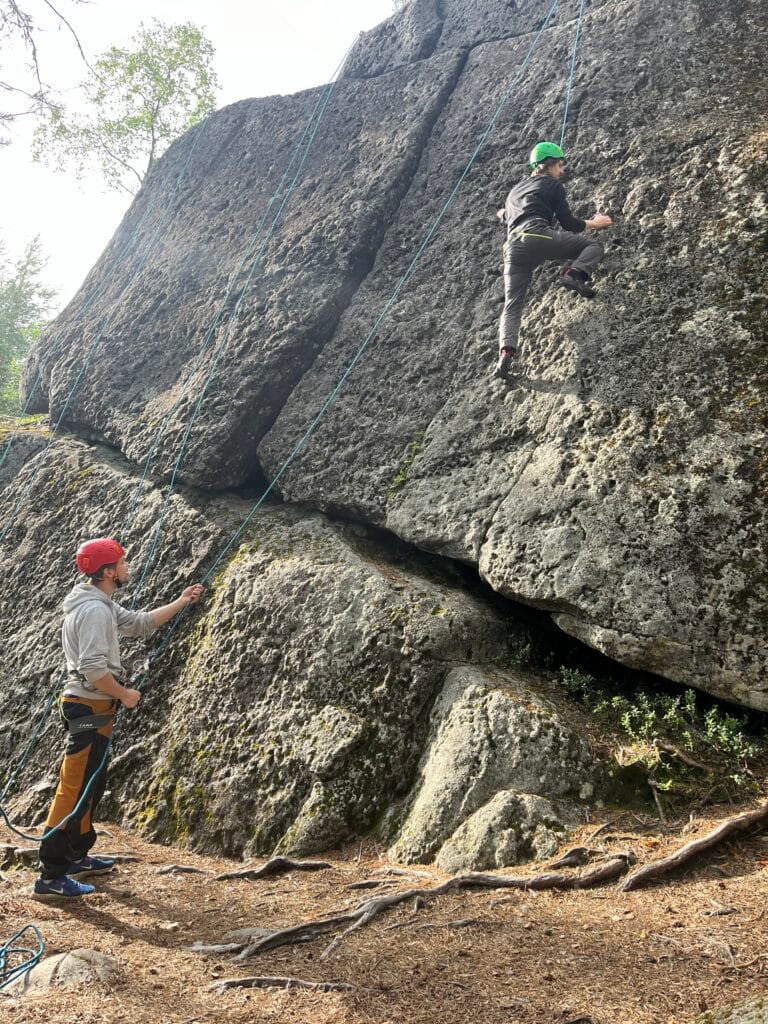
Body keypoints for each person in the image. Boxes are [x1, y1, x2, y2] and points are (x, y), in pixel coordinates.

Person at [33, 537, 204, 900]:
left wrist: (182, 601)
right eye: (122, 563)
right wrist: (123, 694)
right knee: (74, 787)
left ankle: (76, 856)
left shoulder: (101, 604)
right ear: (108, 572)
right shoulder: (94, 611)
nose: (128, 567)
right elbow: (94, 668)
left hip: (92, 706)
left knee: (90, 785)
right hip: (89, 704)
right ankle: (51, 875)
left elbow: (140, 623)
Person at [495, 141, 613, 380]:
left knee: (512, 305)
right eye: (559, 165)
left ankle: (506, 353)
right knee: (593, 245)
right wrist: (596, 223)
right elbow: (569, 223)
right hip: (538, 236)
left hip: (513, 250)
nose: (562, 171)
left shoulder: (514, 192)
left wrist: (502, 213)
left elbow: (506, 215)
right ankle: (573, 274)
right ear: (547, 166)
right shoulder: (552, 185)